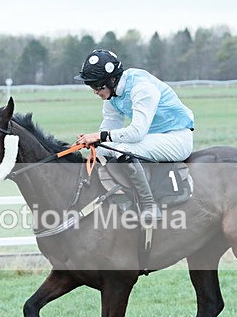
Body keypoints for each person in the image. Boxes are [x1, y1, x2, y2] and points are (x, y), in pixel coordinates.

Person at [74, 49, 194, 224]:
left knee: (123, 149)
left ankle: (149, 206)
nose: (94, 91)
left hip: (176, 138)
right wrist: (95, 143)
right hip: (153, 138)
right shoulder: (113, 95)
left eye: (96, 86)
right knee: (103, 148)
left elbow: (136, 133)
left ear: (112, 80)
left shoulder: (141, 88)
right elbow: (110, 123)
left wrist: (98, 136)